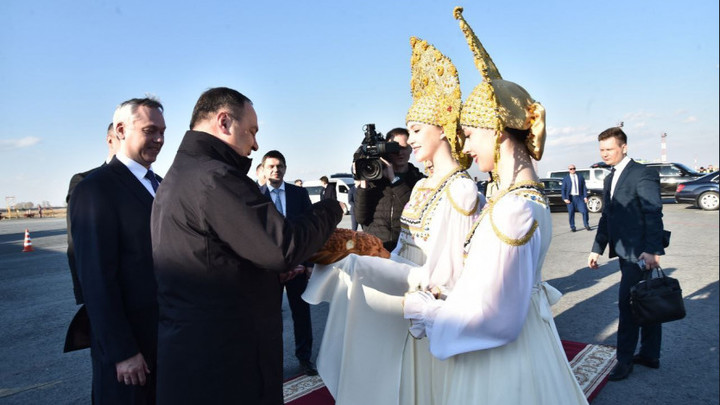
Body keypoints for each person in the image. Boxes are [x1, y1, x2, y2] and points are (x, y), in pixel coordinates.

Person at [402, 8, 588, 403]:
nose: (465, 146)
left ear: (498, 132)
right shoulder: (523, 200)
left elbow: (497, 316)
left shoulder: (512, 211)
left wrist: (431, 313)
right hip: (529, 342)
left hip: (503, 358)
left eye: (470, 135)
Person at [303, 35, 479, 405]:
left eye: (415, 131)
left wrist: (377, 267)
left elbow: (452, 273)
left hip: (431, 309)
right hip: (409, 294)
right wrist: (362, 254)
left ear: (443, 128)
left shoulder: (460, 191)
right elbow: (400, 248)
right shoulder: (424, 188)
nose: (407, 142)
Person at [151, 87, 342, 405]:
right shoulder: (215, 178)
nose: (255, 144)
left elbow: (211, 260)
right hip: (225, 362)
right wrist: (329, 209)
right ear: (224, 122)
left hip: (199, 352)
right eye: (251, 131)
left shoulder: (182, 175)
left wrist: (262, 277)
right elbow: (283, 246)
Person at [69, 97, 166, 403]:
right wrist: (122, 351)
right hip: (131, 350)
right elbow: (97, 280)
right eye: (150, 130)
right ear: (121, 130)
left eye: (163, 131)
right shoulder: (95, 189)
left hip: (167, 340)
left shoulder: (162, 185)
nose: (160, 139)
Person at [588, 126, 666, 381]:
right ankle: (650, 354)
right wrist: (596, 248)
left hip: (640, 253)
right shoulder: (610, 178)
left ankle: (624, 361)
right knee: (647, 301)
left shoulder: (642, 173)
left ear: (624, 147)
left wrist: (653, 250)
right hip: (624, 250)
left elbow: (653, 212)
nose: (605, 153)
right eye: (602, 149)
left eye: (610, 149)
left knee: (628, 305)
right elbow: (607, 216)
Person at [259, 150, 318, 376]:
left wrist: (310, 263)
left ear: (285, 168)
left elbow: (310, 230)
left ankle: (305, 358)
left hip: (299, 266)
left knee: (301, 315)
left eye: (280, 166)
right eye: (271, 166)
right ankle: (271, 363)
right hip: (269, 271)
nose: (276, 170)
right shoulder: (255, 195)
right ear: (263, 169)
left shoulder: (298, 194)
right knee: (270, 319)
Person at [65, 122, 120, 307]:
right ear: (110, 140)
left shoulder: (156, 183)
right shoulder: (85, 182)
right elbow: (76, 245)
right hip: (110, 295)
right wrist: (87, 297)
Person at [353, 128, 425, 251]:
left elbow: (415, 211)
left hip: (405, 247)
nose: (399, 153)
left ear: (410, 149)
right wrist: (364, 183)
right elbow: (361, 218)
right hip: (376, 247)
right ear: (386, 150)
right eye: (394, 148)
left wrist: (394, 179)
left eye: (403, 147)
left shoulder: (419, 180)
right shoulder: (375, 180)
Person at [562, 164, 591, 231]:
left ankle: (586, 225)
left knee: (584, 211)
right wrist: (565, 198)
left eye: (573, 168)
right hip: (570, 198)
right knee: (571, 212)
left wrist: (585, 196)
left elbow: (584, 187)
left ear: (575, 169)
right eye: (571, 169)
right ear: (569, 170)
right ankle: (573, 227)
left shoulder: (580, 177)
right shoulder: (566, 178)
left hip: (579, 197)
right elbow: (563, 189)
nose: (572, 170)